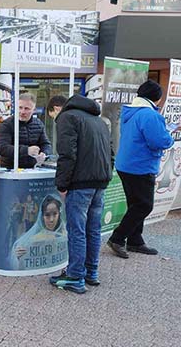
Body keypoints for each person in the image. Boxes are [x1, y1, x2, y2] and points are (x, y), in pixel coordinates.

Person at [50, 95, 113, 294]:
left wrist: (62, 184)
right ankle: (90, 272)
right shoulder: (99, 121)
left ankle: (75, 276)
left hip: (80, 183)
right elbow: (111, 153)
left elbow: (67, 154)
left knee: (76, 229)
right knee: (93, 229)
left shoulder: (68, 118)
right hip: (100, 181)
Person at [107, 80, 173, 258]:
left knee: (135, 204)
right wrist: (170, 137)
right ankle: (117, 238)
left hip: (125, 165)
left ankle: (135, 241)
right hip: (141, 166)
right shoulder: (150, 115)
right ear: (157, 98)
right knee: (144, 205)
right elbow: (159, 141)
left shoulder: (130, 111)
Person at [12, 195, 67, 270]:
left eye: (55, 214)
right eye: (47, 215)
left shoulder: (66, 234)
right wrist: (18, 256)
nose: (51, 219)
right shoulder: (36, 238)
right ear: (42, 216)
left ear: (59, 214)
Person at [0, 93, 51, 169]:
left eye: (27, 109)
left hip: (33, 168)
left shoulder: (39, 124)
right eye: (20, 107)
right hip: (11, 169)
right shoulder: (6, 125)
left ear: (34, 110)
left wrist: (44, 153)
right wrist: (26, 150)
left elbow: (46, 144)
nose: (22, 112)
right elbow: (3, 148)